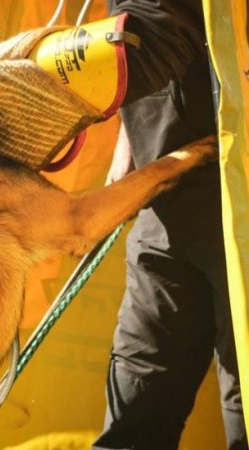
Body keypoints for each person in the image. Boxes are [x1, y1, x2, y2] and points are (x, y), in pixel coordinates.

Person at [93, 1, 248, 449]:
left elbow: (156, 34)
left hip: (240, 217)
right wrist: (128, 147)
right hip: (165, 211)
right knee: (138, 402)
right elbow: (148, 48)